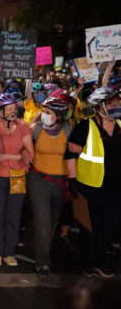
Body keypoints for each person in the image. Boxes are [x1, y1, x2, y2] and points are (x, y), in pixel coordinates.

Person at [65, 87, 121, 278]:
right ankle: (87, 261)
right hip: (90, 186)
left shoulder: (120, 126)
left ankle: (100, 259)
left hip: (115, 188)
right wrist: (72, 180)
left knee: (108, 225)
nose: (116, 105)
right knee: (90, 226)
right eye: (112, 102)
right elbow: (70, 155)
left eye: (117, 101)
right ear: (100, 107)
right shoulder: (85, 127)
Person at [0, 93, 33, 267]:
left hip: (18, 176)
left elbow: (30, 153)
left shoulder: (23, 126)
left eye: (15, 108)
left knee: (14, 215)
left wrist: (6, 155)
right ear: (0, 111)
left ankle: (9, 253)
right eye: (9, 109)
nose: (13, 112)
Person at [28, 96, 72, 276]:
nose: (43, 115)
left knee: (53, 222)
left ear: (59, 116)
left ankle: (45, 252)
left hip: (60, 183)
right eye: (43, 112)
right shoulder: (36, 130)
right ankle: (42, 261)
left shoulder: (69, 129)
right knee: (43, 222)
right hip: (38, 181)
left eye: (47, 113)